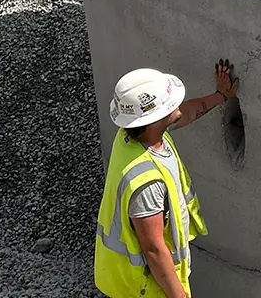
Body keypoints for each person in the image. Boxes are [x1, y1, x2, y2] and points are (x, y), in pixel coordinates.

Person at [94, 59, 240, 298]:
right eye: (169, 103)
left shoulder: (134, 135)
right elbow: (153, 249)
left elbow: (188, 112)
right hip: (148, 287)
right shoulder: (146, 183)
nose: (177, 103)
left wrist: (221, 95)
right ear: (154, 120)